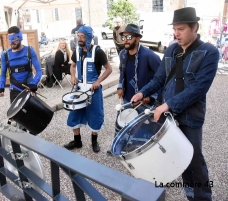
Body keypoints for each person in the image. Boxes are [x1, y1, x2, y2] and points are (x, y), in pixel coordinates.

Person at [131, 7, 219, 200]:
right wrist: (142, 92)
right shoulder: (171, 48)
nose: (176, 33)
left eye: (181, 29)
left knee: (193, 160)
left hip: (190, 117)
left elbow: (199, 89)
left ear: (195, 27)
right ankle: (186, 192)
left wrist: (167, 104)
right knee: (170, 156)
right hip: (166, 113)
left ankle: (202, 197)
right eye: (174, 29)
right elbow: (160, 78)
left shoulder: (210, 52)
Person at [106, 24, 161, 155]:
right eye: (123, 37)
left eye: (129, 36)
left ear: (138, 38)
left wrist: (151, 96)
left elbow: (162, 78)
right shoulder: (123, 54)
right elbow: (122, 72)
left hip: (145, 100)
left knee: (141, 127)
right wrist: (120, 85)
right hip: (128, 97)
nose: (125, 39)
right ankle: (117, 146)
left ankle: (141, 150)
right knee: (121, 122)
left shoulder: (149, 55)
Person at [64, 26, 112, 153]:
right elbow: (72, 66)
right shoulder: (77, 51)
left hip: (93, 90)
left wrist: (98, 81)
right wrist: (73, 76)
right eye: (78, 36)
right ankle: (77, 141)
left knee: (95, 115)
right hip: (79, 89)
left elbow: (109, 69)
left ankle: (94, 141)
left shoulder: (98, 52)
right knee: (74, 113)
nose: (79, 39)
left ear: (89, 37)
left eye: (82, 36)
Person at [0, 26, 42, 104]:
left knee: (33, 114)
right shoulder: (5, 54)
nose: (12, 42)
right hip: (14, 89)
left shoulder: (29, 50)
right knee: (15, 114)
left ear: (20, 37)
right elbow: (3, 74)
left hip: (28, 88)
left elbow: (39, 70)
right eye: (10, 39)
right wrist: (1, 87)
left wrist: (34, 84)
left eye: (14, 39)